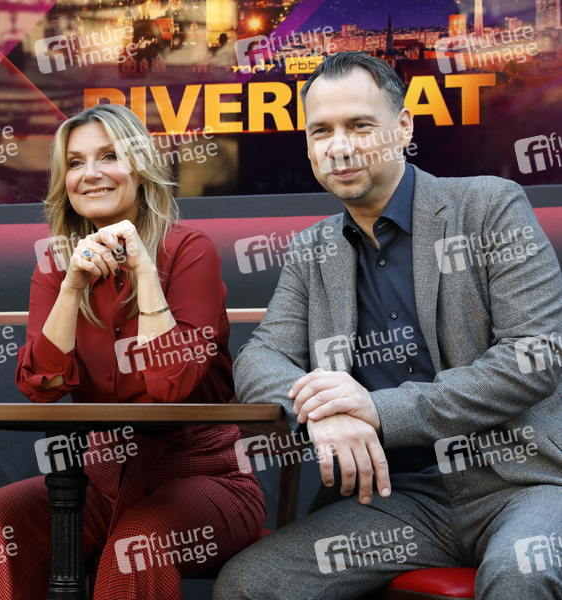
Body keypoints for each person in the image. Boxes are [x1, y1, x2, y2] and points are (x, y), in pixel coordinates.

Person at [215, 51, 562, 598]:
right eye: (321, 131)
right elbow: (261, 358)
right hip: (394, 499)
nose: (340, 146)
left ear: (402, 128)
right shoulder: (312, 250)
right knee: (250, 585)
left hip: (519, 483)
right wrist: (323, 415)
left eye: (360, 125)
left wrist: (378, 410)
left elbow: (532, 357)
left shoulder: (489, 206)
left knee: (523, 573)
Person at [0, 104, 267, 599]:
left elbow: (171, 386)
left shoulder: (190, 250)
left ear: (141, 169)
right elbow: (41, 386)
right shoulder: (56, 267)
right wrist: (71, 287)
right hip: (99, 481)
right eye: (75, 163)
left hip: (207, 477)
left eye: (109, 156)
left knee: (135, 547)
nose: (90, 174)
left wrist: (144, 270)